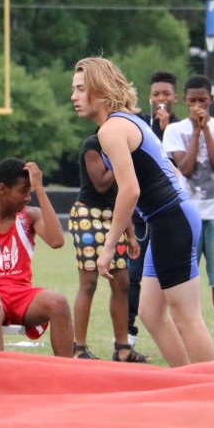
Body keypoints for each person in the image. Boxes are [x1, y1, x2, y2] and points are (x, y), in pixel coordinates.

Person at [72, 58, 214, 367]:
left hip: (171, 219)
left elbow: (130, 190)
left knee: (186, 316)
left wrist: (109, 247)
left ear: (101, 90)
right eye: (75, 89)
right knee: (150, 312)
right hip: (169, 217)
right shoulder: (126, 121)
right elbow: (165, 173)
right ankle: (186, 378)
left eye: (81, 89)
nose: (74, 96)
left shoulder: (111, 129)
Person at [0, 157, 75, 357]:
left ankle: (66, 372)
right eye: (23, 191)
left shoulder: (30, 216)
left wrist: (40, 189)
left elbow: (57, 241)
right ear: (2, 189)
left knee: (59, 302)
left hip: (21, 294)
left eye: (30, 191)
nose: (28, 197)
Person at [162, 75, 214, 355]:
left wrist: (206, 129)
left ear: (211, 100)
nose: (198, 105)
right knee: (184, 280)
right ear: (185, 101)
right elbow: (185, 168)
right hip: (187, 217)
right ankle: (186, 334)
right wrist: (195, 132)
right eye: (193, 100)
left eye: (203, 100)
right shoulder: (174, 130)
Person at [69, 135, 145, 361]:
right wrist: (121, 159)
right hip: (88, 216)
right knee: (89, 283)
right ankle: (78, 348)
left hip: (115, 216)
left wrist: (131, 235)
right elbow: (101, 184)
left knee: (122, 283)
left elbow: (124, 195)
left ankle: (123, 348)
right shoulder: (93, 145)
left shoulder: (123, 151)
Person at [126, 70, 180, 347]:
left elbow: (174, 168)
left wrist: (166, 128)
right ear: (149, 96)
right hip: (140, 217)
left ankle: (178, 332)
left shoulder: (181, 128)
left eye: (166, 94)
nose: (161, 98)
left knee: (173, 278)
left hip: (170, 214)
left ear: (175, 97)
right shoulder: (139, 125)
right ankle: (128, 334)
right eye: (156, 93)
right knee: (133, 275)